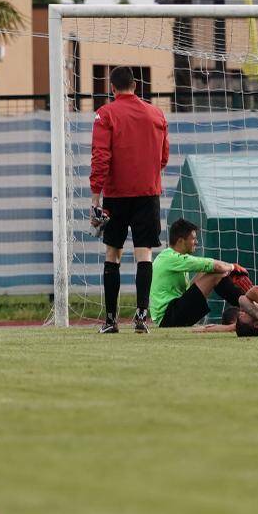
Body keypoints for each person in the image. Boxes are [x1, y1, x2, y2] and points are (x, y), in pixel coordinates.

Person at [90, 65, 170, 334]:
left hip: (116, 194)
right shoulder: (156, 113)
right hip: (148, 193)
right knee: (144, 254)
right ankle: (140, 316)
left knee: (113, 253)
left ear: (112, 88)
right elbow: (163, 158)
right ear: (135, 86)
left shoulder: (105, 114)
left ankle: (111, 320)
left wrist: (95, 198)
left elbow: (101, 157)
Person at [149, 218, 245, 328]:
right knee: (216, 274)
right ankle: (249, 307)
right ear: (180, 241)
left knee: (208, 271)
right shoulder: (170, 258)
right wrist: (233, 267)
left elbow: (190, 289)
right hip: (168, 317)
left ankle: (248, 307)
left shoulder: (169, 256)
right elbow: (217, 266)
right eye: (193, 239)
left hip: (171, 314)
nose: (197, 242)